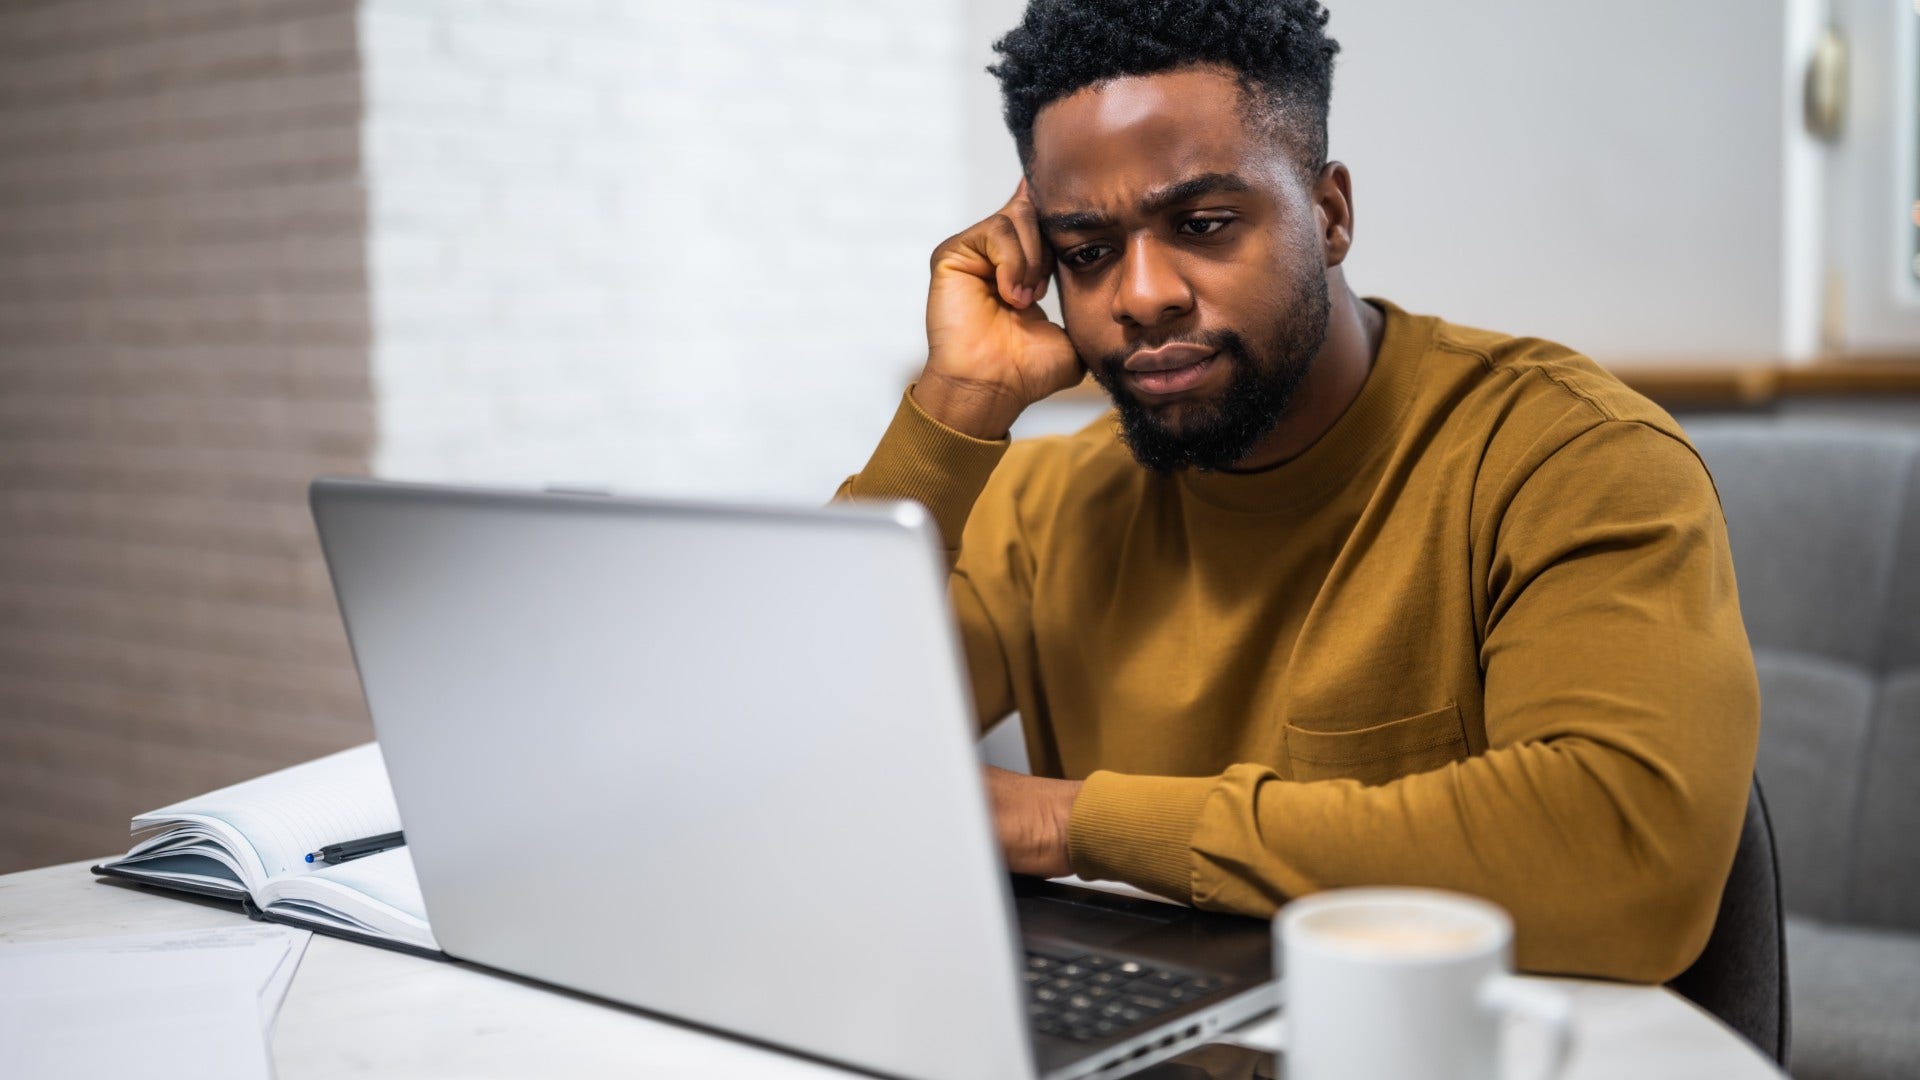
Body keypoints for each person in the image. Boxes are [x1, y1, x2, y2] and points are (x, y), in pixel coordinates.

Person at [836, 0, 1758, 983]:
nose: (1141, 295)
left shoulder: (1569, 457)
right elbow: (776, 751)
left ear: (1329, 216)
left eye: (1203, 223)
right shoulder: (1044, 503)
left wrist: (1066, 822)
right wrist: (958, 403)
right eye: (1087, 252)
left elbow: (1627, 864)